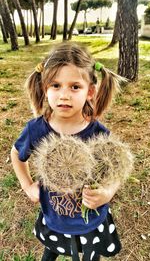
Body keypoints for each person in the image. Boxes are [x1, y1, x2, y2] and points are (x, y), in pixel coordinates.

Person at [11, 42, 124, 261]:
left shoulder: (98, 133)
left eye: (74, 87)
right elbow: (16, 154)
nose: (64, 95)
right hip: (54, 218)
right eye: (55, 85)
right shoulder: (36, 130)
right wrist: (27, 185)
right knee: (52, 251)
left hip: (90, 219)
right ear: (45, 88)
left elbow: (116, 169)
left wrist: (108, 192)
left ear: (90, 91)